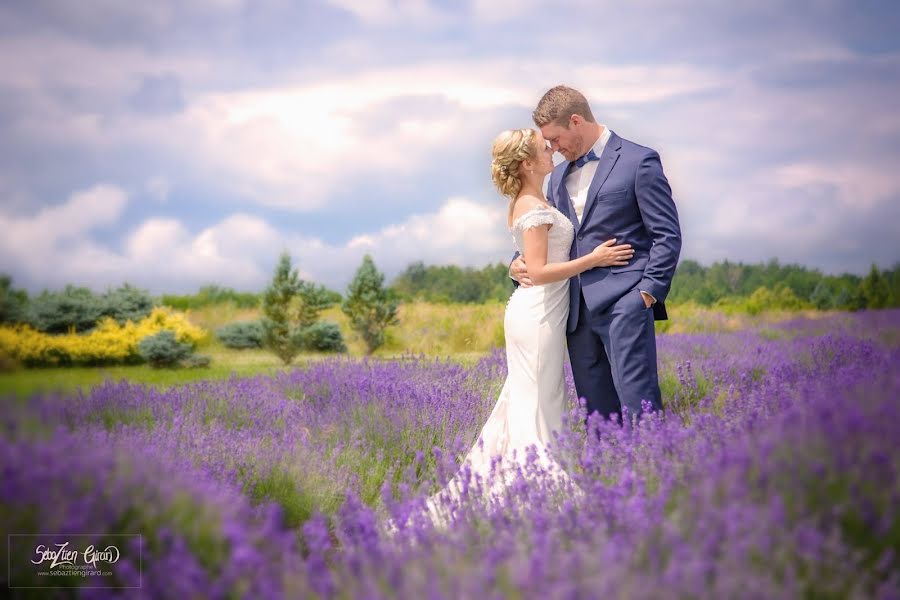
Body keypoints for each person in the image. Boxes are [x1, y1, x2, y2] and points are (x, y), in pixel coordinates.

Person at [423, 128, 634, 525]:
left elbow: (527, 260)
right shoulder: (532, 205)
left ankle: (513, 485)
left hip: (541, 312)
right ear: (526, 163)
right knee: (536, 402)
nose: (551, 149)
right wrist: (595, 259)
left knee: (531, 401)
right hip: (536, 314)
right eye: (543, 148)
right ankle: (539, 493)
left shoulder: (536, 198)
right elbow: (536, 270)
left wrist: (515, 263)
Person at [511, 85, 682, 424]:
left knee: (640, 404)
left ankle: (653, 471)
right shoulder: (557, 176)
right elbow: (547, 232)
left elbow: (667, 234)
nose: (554, 150)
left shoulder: (638, 161)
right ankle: (608, 475)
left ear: (576, 121)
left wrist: (646, 294)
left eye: (556, 139)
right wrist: (517, 263)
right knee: (596, 417)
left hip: (626, 303)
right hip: (575, 311)